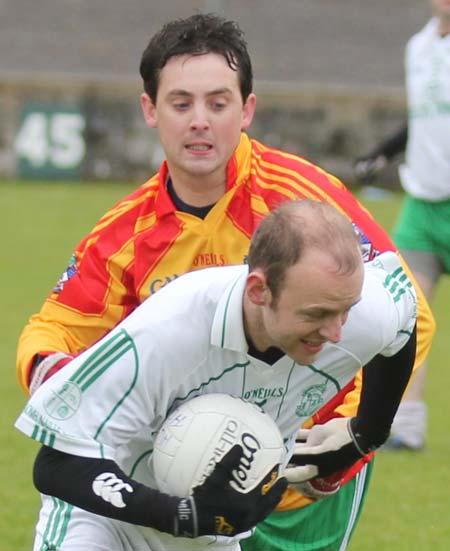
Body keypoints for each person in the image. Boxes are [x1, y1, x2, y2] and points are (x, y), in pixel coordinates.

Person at [16, 13, 434, 551]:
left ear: (247, 109)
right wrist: (83, 390)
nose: (200, 122)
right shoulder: (124, 234)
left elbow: (405, 316)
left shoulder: (304, 202)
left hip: (306, 486)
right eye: (181, 103)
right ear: (151, 110)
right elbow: (53, 333)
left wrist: (354, 433)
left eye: (218, 103)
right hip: (182, 470)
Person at [15, 200, 419, 551]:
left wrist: (366, 434)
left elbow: (403, 321)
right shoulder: (169, 328)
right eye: (314, 315)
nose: (335, 332)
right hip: (103, 522)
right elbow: (57, 464)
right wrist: (182, 515)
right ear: (259, 291)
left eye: (346, 309)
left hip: (212, 538)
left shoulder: (359, 311)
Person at [354, 0, 449, 450]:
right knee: (407, 314)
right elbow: (425, 120)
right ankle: (407, 425)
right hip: (423, 205)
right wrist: (384, 152)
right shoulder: (419, 47)